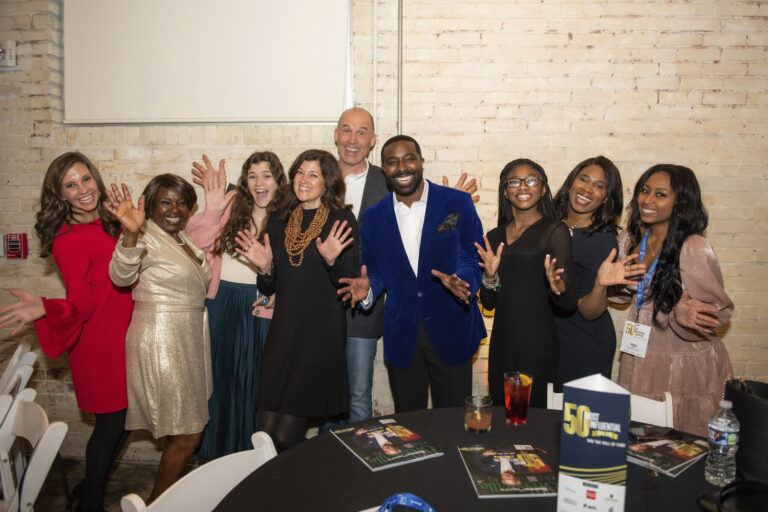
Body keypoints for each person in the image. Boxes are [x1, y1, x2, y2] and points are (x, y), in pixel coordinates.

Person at [0, 152, 132, 512]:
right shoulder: (68, 239)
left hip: (125, 337)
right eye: (70, 185)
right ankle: (90, 503)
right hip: (100, 343)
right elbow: (84, 302)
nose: (82, 190)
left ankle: (89, 487)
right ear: (60, 196)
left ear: (96, 179)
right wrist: (46, 306)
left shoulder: (112, 222)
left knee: (124, 423)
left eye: (86, 179)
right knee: (110, 425)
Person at [333, 107, 479, 424]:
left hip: (452, 327)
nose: (402, 167)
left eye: (409, 158)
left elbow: (473, 255)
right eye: (392, 161)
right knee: (409, 426)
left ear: (421, 161)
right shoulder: (374, 217)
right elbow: (374, 270)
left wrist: (464, 281)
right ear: (384, 169)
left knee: (454, 423)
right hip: (402, 336)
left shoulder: (456, 203)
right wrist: (368, 287)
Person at [234, 149, 358, 451]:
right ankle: (275, 494)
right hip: (284, 332)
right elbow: (271, 285)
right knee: (264, 436)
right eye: (299, 172)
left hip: (318, 335)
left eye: (313, 174)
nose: (303, 180)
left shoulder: (341, 220)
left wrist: (331, 261)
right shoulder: (279, 220)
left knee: (287, 436)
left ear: (327, 181)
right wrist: (264, 268)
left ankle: (300, 491)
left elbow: (348, 285)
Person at [106, 174, 212, 501]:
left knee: (181, 429)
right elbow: (121, 275)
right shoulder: (144, 234)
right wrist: (130, 233)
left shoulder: (183, 239)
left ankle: (164, 501)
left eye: (182, 203)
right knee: (189, 434)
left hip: (186, 337)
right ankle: (157, 505)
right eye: (165, 201)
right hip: (161, 339)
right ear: (151, 205)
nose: (174, 209)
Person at [613, 164, 733, 437]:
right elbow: (622, 295)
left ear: (681, 202)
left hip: (682, 365)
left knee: (679, 443)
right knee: (639, 441)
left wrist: (681, 312)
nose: (647, 200)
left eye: (660, 194)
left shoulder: (693, 247)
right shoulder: (630, 239)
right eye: (644, 191)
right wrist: (609, 281)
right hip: (639, 353)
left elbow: (715, 315)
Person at [186, 152, 286, 460]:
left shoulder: (288, 218)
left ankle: (249, 460)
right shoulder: (230, 210)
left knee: (253, 387)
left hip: (261, 308)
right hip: (222, 304)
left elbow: (296, 271)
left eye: (267, 175)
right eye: (252, 175)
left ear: (278, 181)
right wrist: (212, 211)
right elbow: (194, 244)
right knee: (219, 384)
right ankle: (213, 457)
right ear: (245, 182)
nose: (259, 182)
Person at [475, 159, 576, 408]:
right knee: (501, 408)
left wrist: (557, 287)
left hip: (538, 341)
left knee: (535, 414)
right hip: (502, 340)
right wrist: (490, 278)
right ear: (506, 191)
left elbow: (568, 301)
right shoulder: (494, 236)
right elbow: (489, 302)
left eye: (531, 180)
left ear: (543, 189)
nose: (523, 186)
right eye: (514, 181)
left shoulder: (554, 230)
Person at [552, 156, 645, 384]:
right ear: (571, 182)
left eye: (599, 186)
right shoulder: (551, 224)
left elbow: (589, 311)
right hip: (552, 336)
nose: (588, 189)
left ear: (606, 198)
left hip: (582, 341)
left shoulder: (602, 241)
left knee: (577, 417)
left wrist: (600, 285)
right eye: (583, 179)